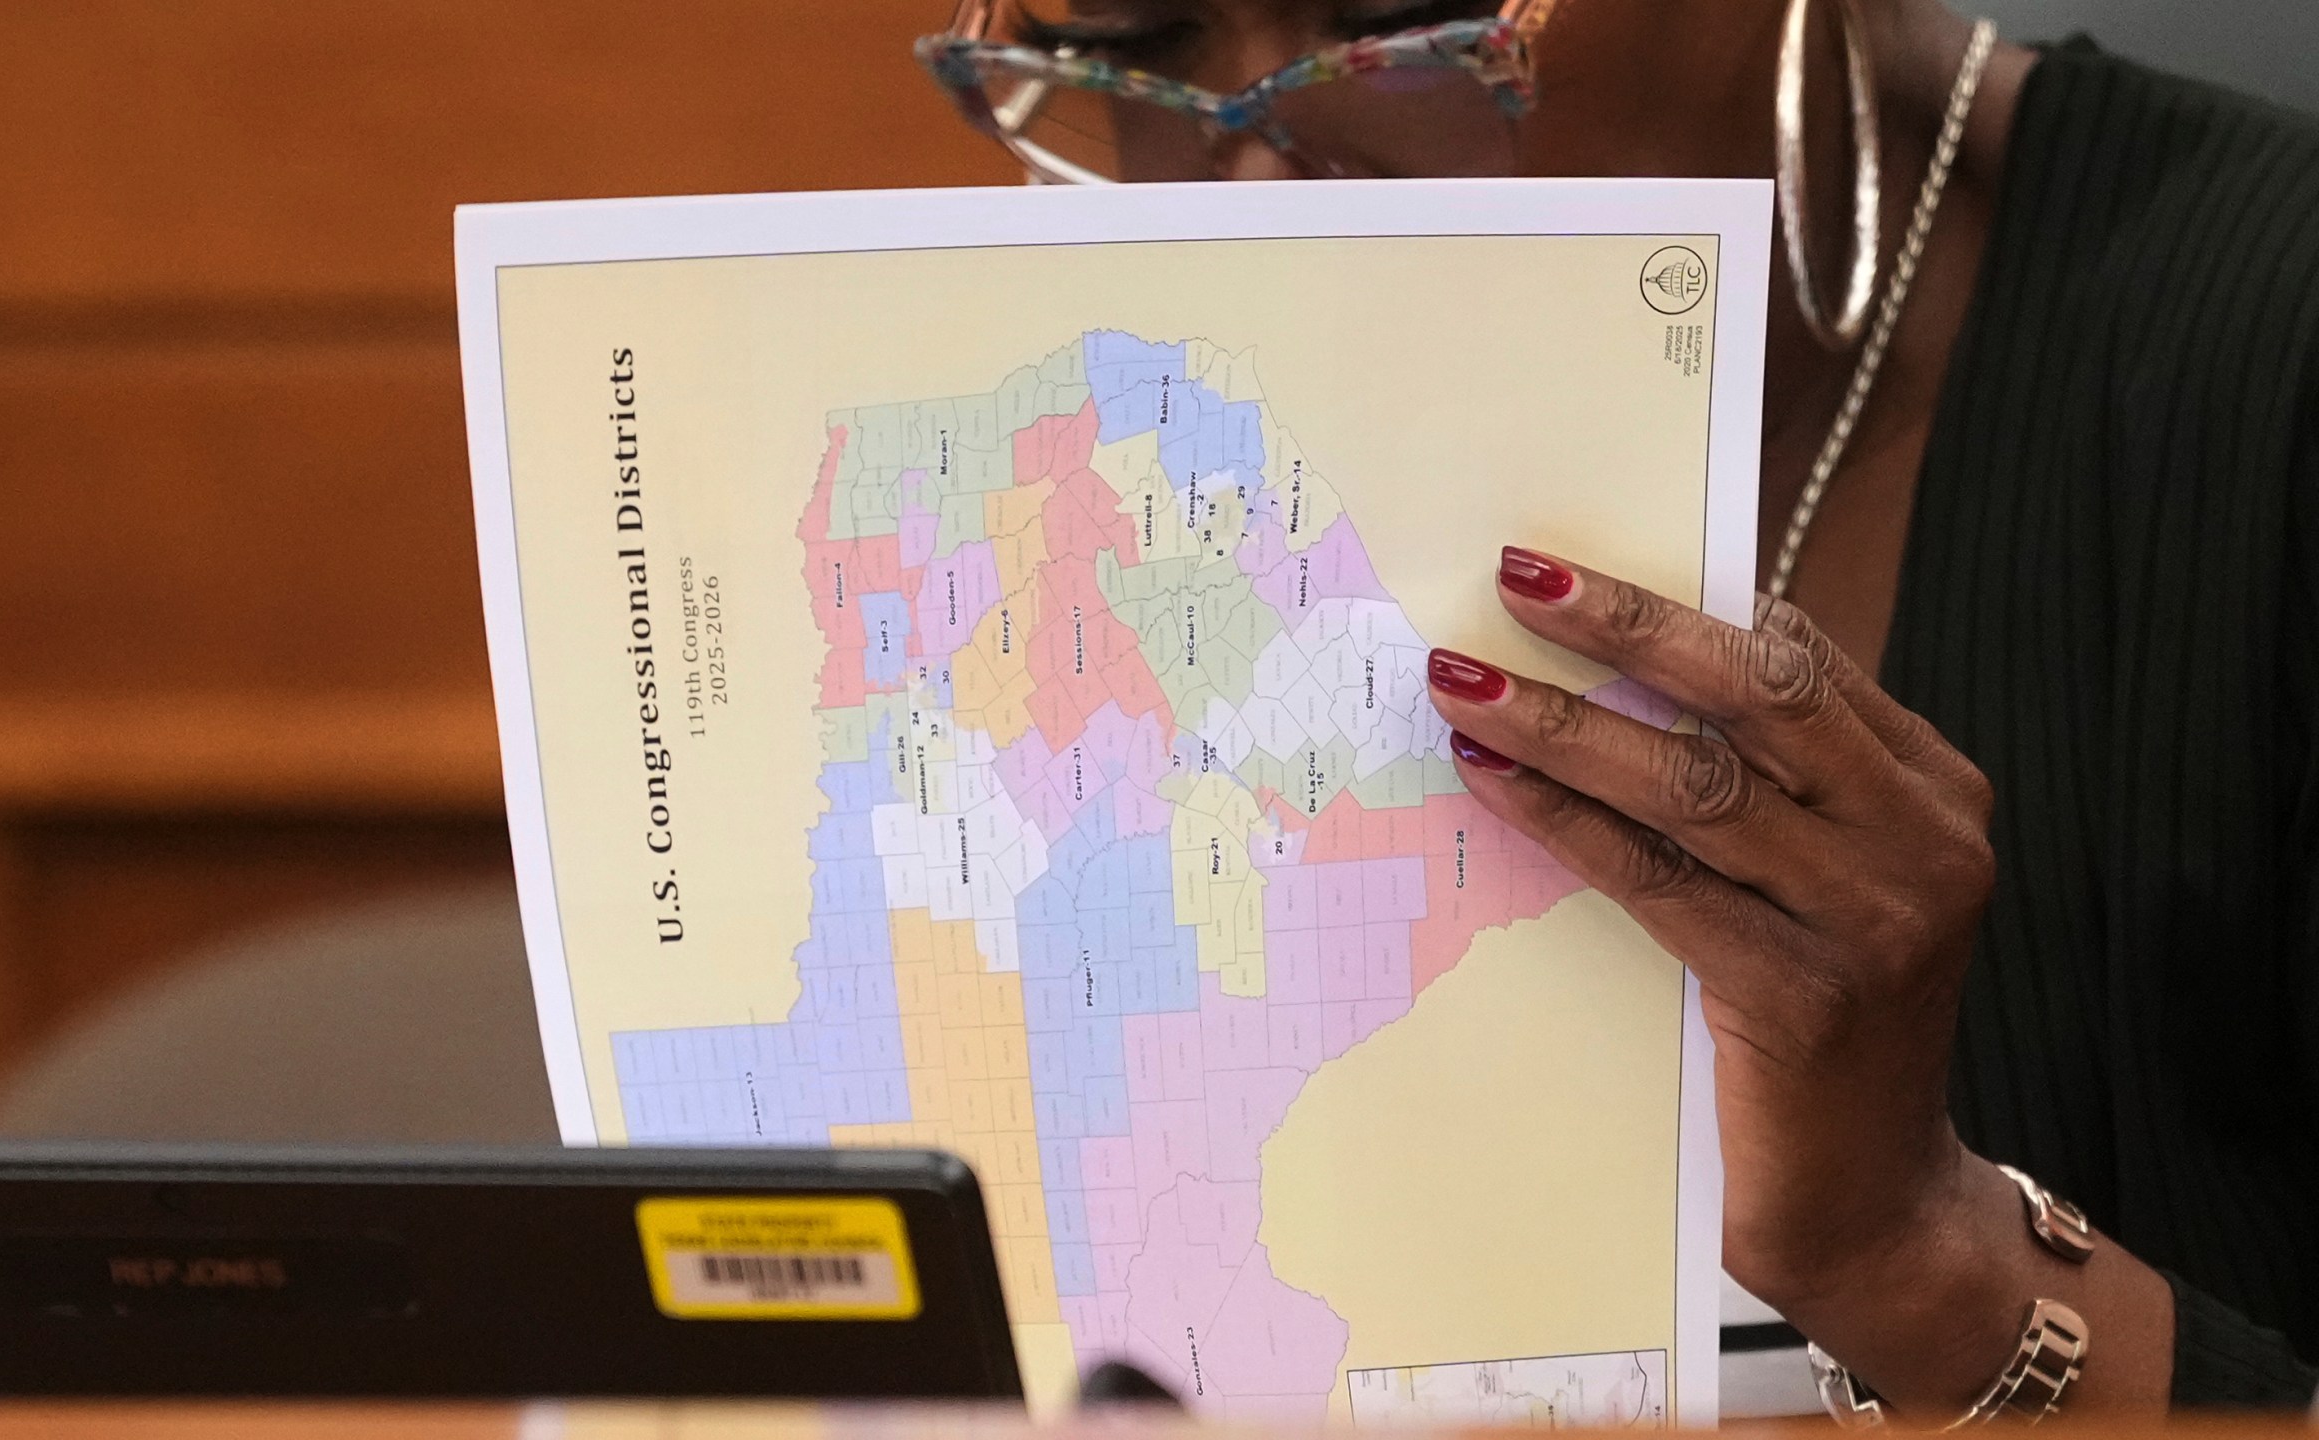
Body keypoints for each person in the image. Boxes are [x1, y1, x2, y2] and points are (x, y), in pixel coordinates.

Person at [918, 0, 2319, 1418]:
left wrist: (1913, 1259)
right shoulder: (1093, 502)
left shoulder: (2266, 379)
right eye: (1131, 31)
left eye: (1400, 14)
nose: (1253, 179)